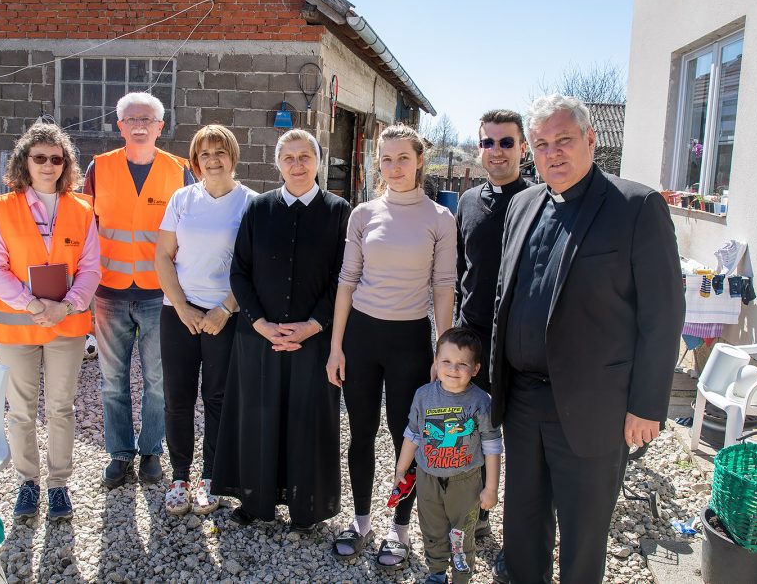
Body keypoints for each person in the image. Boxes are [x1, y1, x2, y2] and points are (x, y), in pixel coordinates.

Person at [490, 94, 684, 583]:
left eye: (563, 140)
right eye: (541, 144)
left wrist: (647, 405)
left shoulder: (636, 208)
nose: (552, 153)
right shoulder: (523, 204)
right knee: (523, 524)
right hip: (523, 400)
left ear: (591, 140)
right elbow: (503, 297)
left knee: (583, 535)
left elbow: (663, 317)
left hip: (595, 404)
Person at [327, 123, 457, 571]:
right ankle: (361, 521)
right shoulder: (363, 214)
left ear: (420, 160)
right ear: (376, 163)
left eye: (403, 158)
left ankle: (399, 528)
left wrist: (444, 353)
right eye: (386, 159)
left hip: (409, 341)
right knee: (361, 432)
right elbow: (347, 281)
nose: (394, 167)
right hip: (361, 337)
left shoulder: (440, 219)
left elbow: (443, 288)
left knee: (409, 437)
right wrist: (336, 346)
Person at [213, 129, 350, 532]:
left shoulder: (339, 210)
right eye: (288, 158)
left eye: (305, 156)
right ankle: (256, 502)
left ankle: (307, 507)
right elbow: (239, 271)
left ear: (318, 160)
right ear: (277, 163)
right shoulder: (259, 210)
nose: (297, 165)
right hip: (260, 338)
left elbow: (344, 276)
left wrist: (312, 325)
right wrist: (260, 324)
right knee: (259, 417)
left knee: (307, 421)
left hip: (314, 340)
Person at [0, 121, 100, 520]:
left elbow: (90, 269)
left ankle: (59, 486)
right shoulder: (1, 207)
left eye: (56, 158)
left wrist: (64, 308)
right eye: (40, 158)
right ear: (25, 162)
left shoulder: (83, 209)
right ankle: (28, 484)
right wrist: (34, 306)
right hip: (17, 327)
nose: (48, 165)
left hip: (65, 326)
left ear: (65, 164)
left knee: (61, 408)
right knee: (21, 411)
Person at [83, 92, 194, 489]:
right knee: (112, 382)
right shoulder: (99, 168)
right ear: (120, 126)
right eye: (131, 119)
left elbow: (191, 233)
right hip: (109, 293)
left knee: (157, 382)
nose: (140, 125)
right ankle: (118, 453)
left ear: (161, 126)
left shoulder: (179, 171)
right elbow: (83, 230)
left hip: (158, 295)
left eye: (148, 118)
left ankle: (151, 451)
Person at [154, 125, 256, 516]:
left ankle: (211, 478)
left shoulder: (250, 203)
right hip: (178, 312)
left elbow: (254, 268)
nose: (212, 160)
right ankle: (179, 476)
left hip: (223, 316)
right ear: (195, 161)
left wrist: (226, 309)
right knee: (177, 398)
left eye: (220, 152)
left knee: (218, 398)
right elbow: (163, 256)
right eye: (204, 154)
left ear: (233, 157)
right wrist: (181, 307)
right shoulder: (182, 200)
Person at [454, 108, 529, 549]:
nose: (496, 151)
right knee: (473, 431)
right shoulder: (466, 203)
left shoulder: (539, 200)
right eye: (488, 142)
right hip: (474, 337)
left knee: (516, 435)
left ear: (522, 147)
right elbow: (462, 269)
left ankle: (520, 531)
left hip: (519, 341)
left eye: (506, 142)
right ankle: (475, 514)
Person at [394, 327, 501, 584]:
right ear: (435, 361)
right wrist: (401, 469)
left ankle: (462, 577)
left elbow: (492, 445)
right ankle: (437, 573)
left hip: (465, 481)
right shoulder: (423, 395)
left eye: (462, 363)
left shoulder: (481, 401)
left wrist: (491, 488)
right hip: (427, 477)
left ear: (475, 369)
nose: (453, 369)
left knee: (462, 532)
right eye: (447, 361)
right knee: (432, 528)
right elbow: (413, 434)